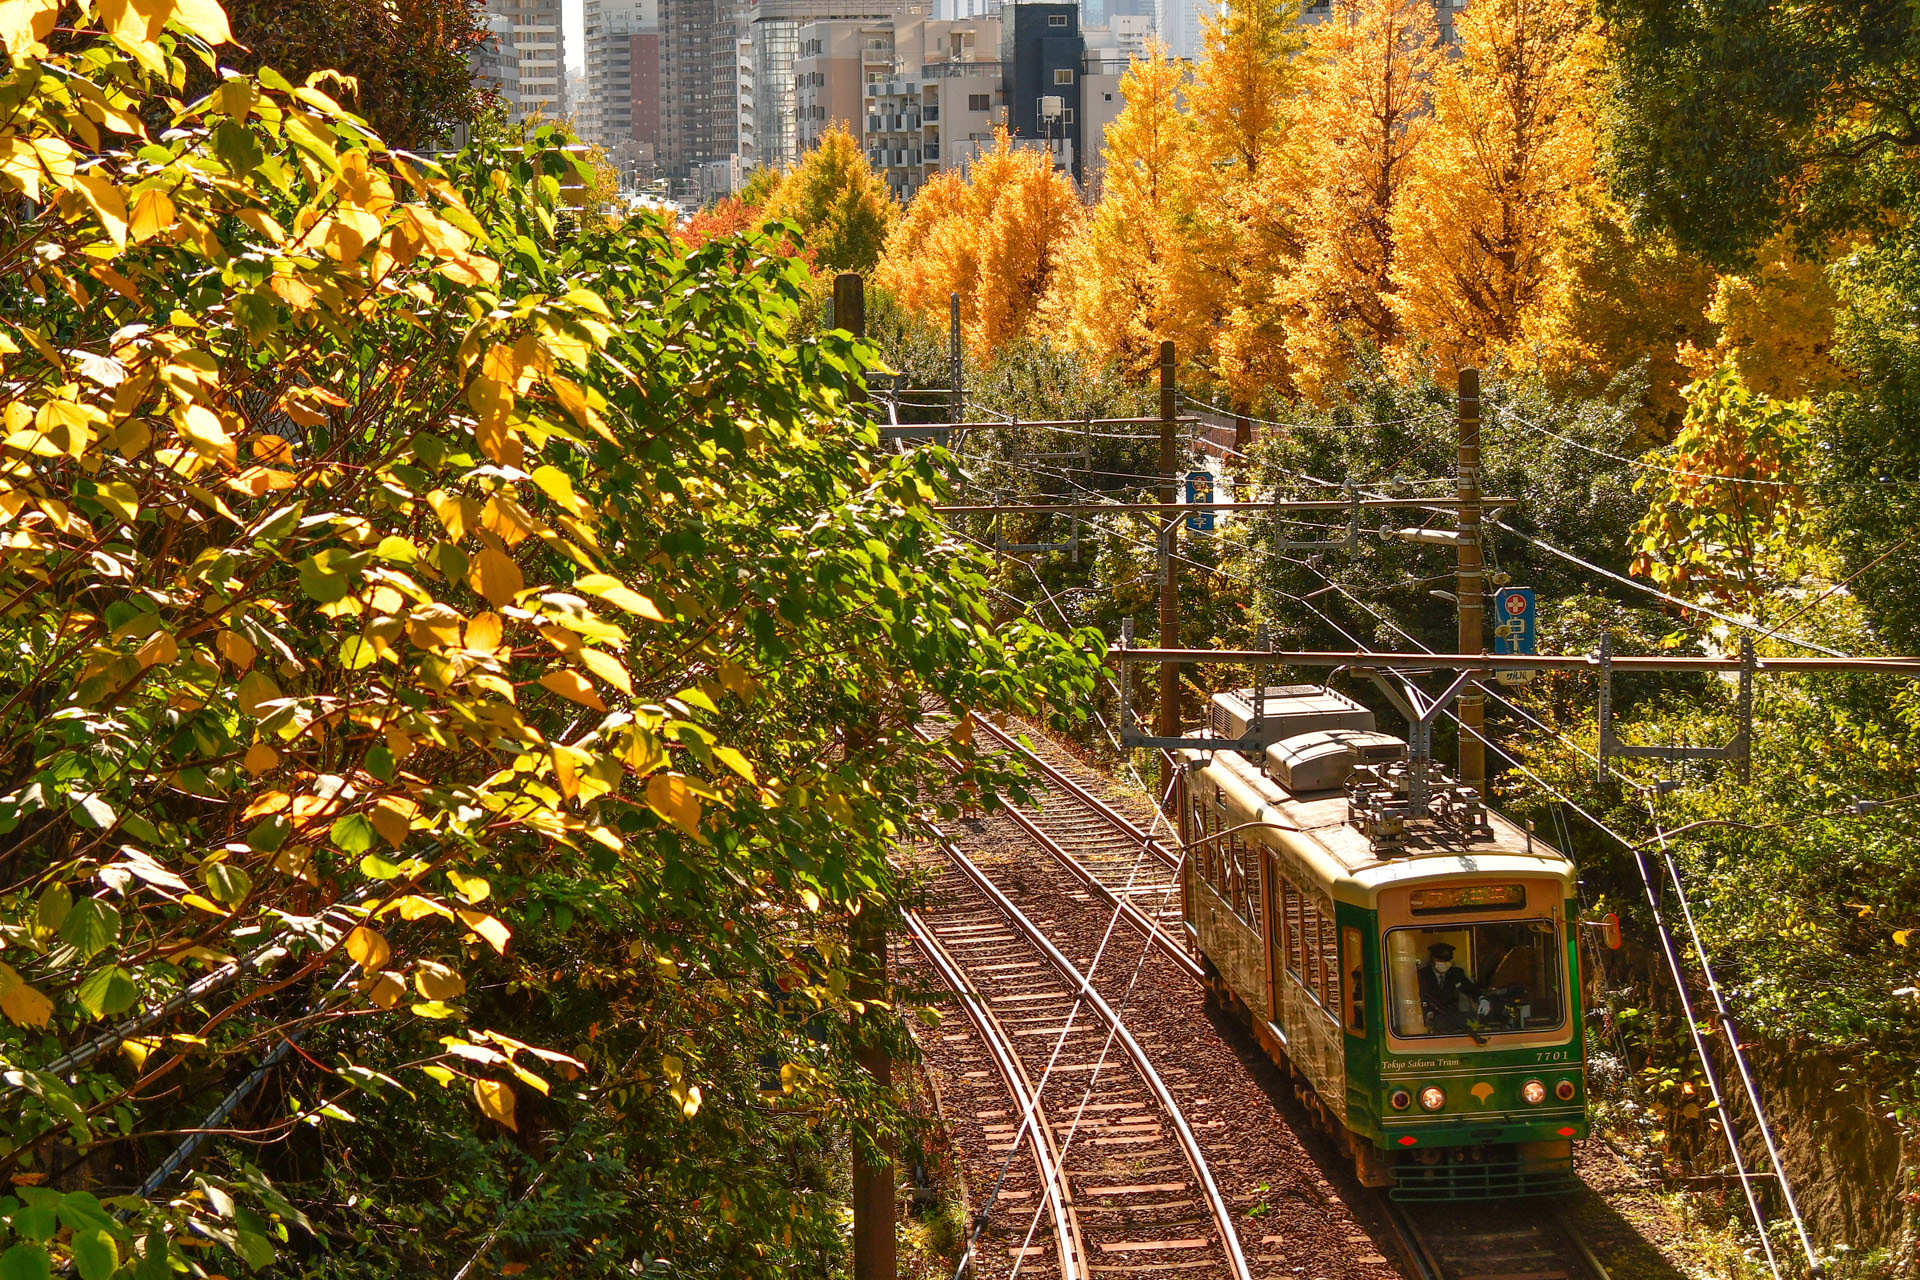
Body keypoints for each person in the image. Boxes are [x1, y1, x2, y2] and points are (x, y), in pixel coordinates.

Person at [1416, 942, 1490, 1039]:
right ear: (1433, 960)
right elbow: (1419, 997)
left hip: (1454, 1025)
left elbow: (1471, 989)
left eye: (1447, 961)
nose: (1445, 964)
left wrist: (1482, 999)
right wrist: (1426, 1013)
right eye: (1441, 961)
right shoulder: (1423, 975)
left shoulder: (1456, 973)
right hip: (1430, 1026)